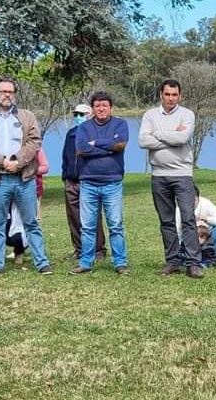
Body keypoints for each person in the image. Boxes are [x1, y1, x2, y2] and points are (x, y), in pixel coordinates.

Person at [0, 78, 51, 275]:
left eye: (10, 91)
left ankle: (41, 263)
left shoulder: (27, 117)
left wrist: (18, 160)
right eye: (2, 91)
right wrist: (2, 162)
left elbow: (35, 141)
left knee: (31, 222)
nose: (6, 94)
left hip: (24, 178)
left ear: (14, 94)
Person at [139, 79, 203, 279]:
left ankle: (193, 263)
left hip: (182, 174)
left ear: (180, 96)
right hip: (159, 175)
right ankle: (173, 261)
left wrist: (156, 135)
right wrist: (169, 135)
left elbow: (182, 139)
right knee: (166, 220)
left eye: (174, 95)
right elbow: (143, 140)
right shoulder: (150, 115)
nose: (171, 98)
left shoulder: (187, 114)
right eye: (167, 94)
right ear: (161, 95)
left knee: (188, 218)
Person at [70, 91, 129, 275]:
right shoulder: (84, 127)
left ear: (111, 107)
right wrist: (108, 148)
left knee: (115, 225)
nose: (101, 108)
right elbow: (81, 149)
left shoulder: (121, 124)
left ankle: (120, 263)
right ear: (93, 109)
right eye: (97, 106)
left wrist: (95, 143)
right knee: (87, 226)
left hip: (113, 183)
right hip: (88, 183)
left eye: (104, 105)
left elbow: (120, 145)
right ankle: (86, 262)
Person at [61, 104, 107, 261]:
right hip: (71, 181)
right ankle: (79, 248)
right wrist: (65, 176)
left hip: (89, 181)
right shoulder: (71, 134)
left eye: (81, 114)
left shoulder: (96, 134)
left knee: (93, 216)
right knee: (73, 216)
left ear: (89, 115)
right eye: (76, 114)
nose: (77, 117)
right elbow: (65, 157)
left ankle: (98, 249)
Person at [175, 185, 216, 267]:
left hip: (206, 236)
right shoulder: (179, 210)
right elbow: (177, 231)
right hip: (188, 238)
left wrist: (207, 219)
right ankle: (189, 258)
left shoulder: (206, 204)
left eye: (194, 200)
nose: (191, 203)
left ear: (198, 198)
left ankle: (213, 256)